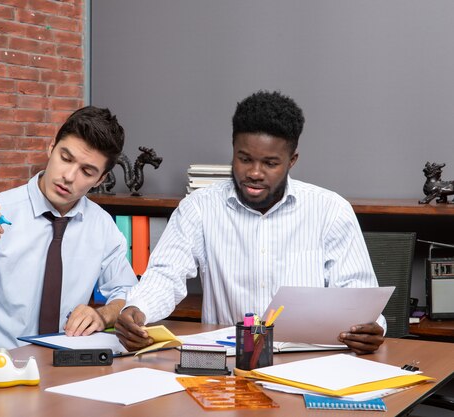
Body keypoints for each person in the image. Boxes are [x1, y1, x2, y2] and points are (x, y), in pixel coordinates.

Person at [116, 91, 385, 355]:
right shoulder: (199, 207)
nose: (254, 173)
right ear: (233, 151)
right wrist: (137, 309)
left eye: (270, 163)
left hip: (310, 361)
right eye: (244, 159)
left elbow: (358, 297)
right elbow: (166, 274)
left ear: (292, 161)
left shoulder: (331, 211)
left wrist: (371, 328)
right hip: (231, 365)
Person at [0, 106, 138, 361]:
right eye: (66, 158)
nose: (68, 177)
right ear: (51, 148)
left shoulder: (103, 226)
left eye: (86, 171)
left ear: (100, 179)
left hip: (62, 365)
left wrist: (102, 315)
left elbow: (127, 293)